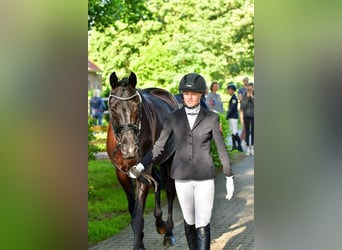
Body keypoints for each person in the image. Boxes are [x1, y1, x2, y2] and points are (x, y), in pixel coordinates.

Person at [130, 73, 234, 250]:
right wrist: (141, 165)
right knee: (189, 221)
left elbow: (222, 148)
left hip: (205, 177)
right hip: (181, 176)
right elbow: (158, 146)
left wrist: (228, 176)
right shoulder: (173, 118)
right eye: (185, 93)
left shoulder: (211, 118)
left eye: (194, 93)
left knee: (203, 221)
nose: (190, 97)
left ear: (201, 94)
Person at [226, 83, 243, 152]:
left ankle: (239, 146)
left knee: (235, 132)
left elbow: (232, 108)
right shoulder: (232, 98)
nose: (228, 91)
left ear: (232, 90)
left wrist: (227, 115)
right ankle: (234, 146)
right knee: (233, 132)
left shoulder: (234, 98)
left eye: (229, 90)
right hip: (232, 117)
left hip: (233, 117)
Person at [240, 83, 254, 156]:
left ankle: (252, 147)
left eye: (251, 89)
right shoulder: (244, 96)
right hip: (246, 116)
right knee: (247, 132)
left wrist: (252, 97)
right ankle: (248, 147)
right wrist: (247, 97)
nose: (250, 90)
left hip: (254, 116)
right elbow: (242, 106)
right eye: (249, 89)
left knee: (253, 132)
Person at [237, 77, 249, 150]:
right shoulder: (241, 90)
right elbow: (241, 99)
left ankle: (245, 142)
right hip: (243, 110)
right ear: (243, 82)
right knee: (244, 127)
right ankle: (239, 143)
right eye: (245, 81)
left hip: (251, 110)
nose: (246, 82)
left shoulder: (252, 89)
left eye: (247, 81)